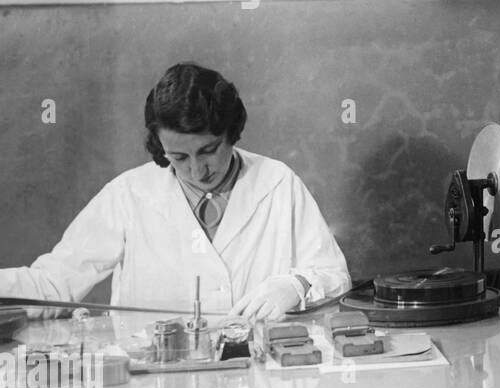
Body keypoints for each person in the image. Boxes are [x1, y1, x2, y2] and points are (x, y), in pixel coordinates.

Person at [0, 63, 351, 322]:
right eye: (179, 157)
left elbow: (333, 275)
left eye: (209, 150)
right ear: (159, 147)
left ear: (231, 132)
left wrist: (295, 285)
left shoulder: (276, 183)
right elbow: (54, 284)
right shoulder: (129, 195)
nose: (198, 171)